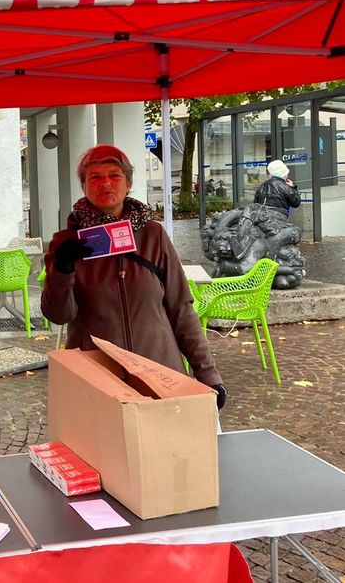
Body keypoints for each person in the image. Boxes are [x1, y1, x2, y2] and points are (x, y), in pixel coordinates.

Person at [41, 145, 227, 408]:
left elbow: (180, 310)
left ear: (128, 183)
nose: (105, 183)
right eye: (94, 177)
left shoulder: (154, 235)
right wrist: (62, 269)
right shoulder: (65, 242)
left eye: (114, 175)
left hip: (161, 374)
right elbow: (59, 315)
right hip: (98, 378)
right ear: (84, 186)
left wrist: (208, 375)